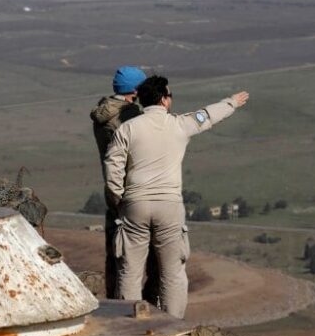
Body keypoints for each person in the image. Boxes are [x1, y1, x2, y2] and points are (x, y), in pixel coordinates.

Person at [105, 75, 249, 318]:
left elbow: (113, 165)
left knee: (130, 271)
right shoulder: (180, 124)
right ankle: (173, 325)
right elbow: (206, 116)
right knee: (172, 272)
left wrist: (118, 198)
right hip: (169, 207)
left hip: (135, 204)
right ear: (164, 100)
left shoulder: (127, 128)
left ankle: (127, 326)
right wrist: (231, 103)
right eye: (170, 95)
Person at [90, 66, 159, 302]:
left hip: (114, 192)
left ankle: (115, 304)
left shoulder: (104, 113)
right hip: (134, 193)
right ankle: (143, 308)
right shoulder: (127, 117)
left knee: (116, 255)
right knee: (143, 258)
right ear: (135, 91)